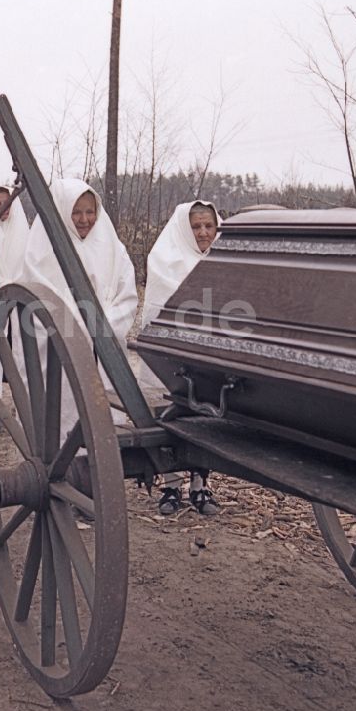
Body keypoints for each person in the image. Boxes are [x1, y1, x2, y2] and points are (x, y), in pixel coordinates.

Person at [23, 178, 138, 441]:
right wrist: (79, 325)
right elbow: (39, 300)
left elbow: (127, 295)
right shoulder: (42, 250)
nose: (84, 219)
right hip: (59, 351)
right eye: (76, 212)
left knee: (103, 413)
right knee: (66, 410)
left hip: (105, 344)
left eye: (89, 211)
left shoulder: (112, 247)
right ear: (62, 211)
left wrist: (103, 323)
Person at [140, 200, 222, 517]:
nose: (202, 233)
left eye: (208, 226)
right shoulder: (165, 260)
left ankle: (201, 487)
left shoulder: (224, 258)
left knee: (207, 417)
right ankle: (171, 485)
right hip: (175, 356)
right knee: (172, 414)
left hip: (211, 354)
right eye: (196, 226)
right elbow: (166, 306)